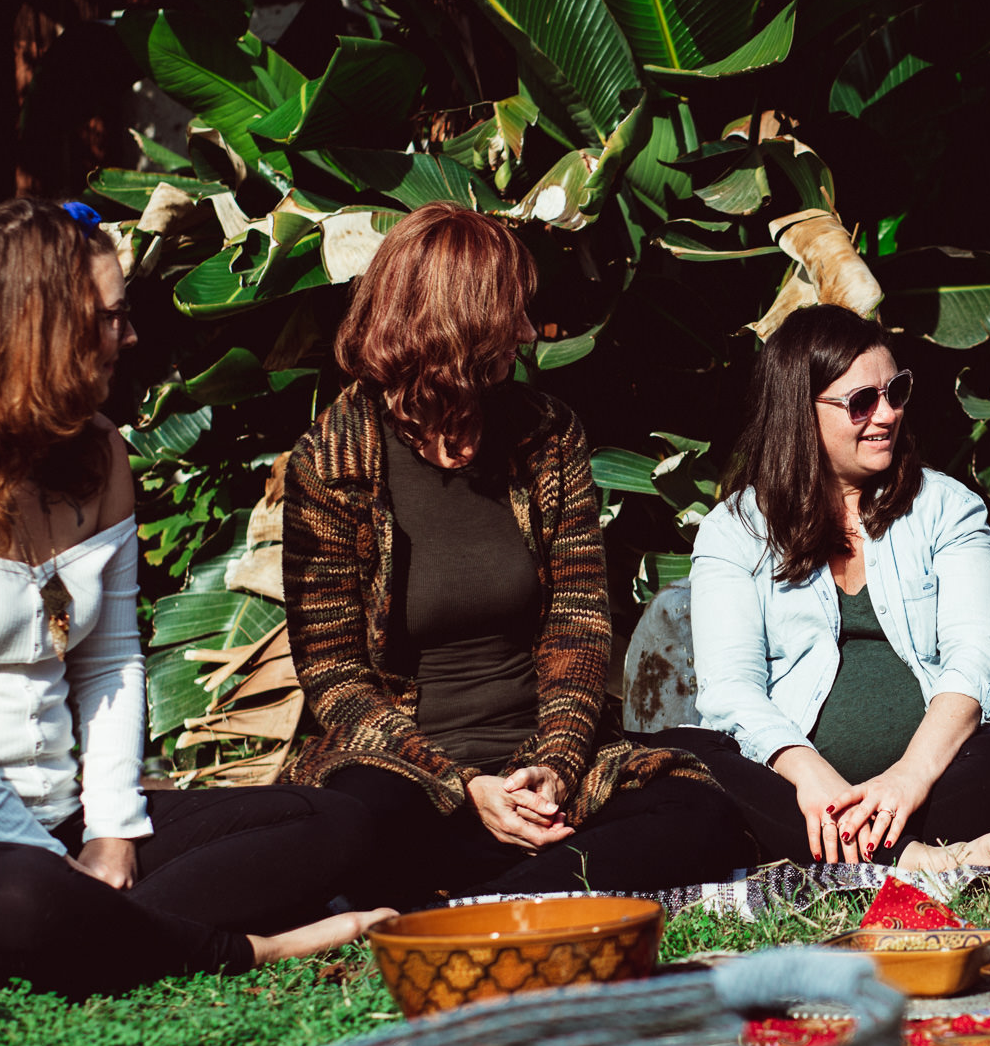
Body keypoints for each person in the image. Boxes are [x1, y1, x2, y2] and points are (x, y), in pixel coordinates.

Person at [0, 198, 388, 999]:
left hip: (64, 816)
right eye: (110, 317)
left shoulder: (100, 450)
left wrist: (113, 830)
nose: (130, 336)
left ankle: (61, 945)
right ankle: (244, 949)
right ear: (38, 324)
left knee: (340, 823)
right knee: (28, 899)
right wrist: (49, 863)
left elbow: (111, 659)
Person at [280, 202, 750, 906]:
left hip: (540, 762)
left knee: (699, 810)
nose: (529, 333)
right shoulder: (332, 460)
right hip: (408, 771)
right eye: (511, 317)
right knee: (357, 823)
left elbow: (580, 622)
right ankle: (539, 882)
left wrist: (554, 767)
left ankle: (499, 897)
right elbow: (334, 673)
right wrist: (461, 785)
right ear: (453, 326)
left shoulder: (544, 436)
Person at [686, 304, 990, 871]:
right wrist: (809, 773)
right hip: (800, 784)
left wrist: (908, 778)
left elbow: (977, 659)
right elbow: (731, 690)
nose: (886, 414)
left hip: (937, 775)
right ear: (799, 410)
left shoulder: (948, 509)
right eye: (861, 402)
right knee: (686, 759)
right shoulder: (735, 529)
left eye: (896, 391)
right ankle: (910, 856)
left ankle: (829, 846)